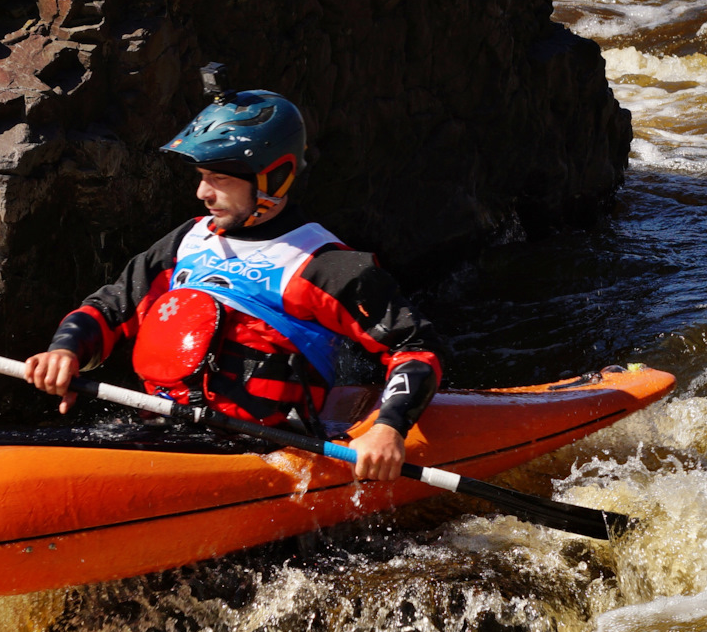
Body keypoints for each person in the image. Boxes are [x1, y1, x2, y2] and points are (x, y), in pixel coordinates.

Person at [24, 89, 442, 482]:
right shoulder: (187, 240)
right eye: (204, 175)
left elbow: (415, 350)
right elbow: (114, 305)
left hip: (264, 447)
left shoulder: (325, 265)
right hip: (163, 429)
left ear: (274, 178)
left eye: (220, 179)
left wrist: (388, 429)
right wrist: (65, 349)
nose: (202, 192)